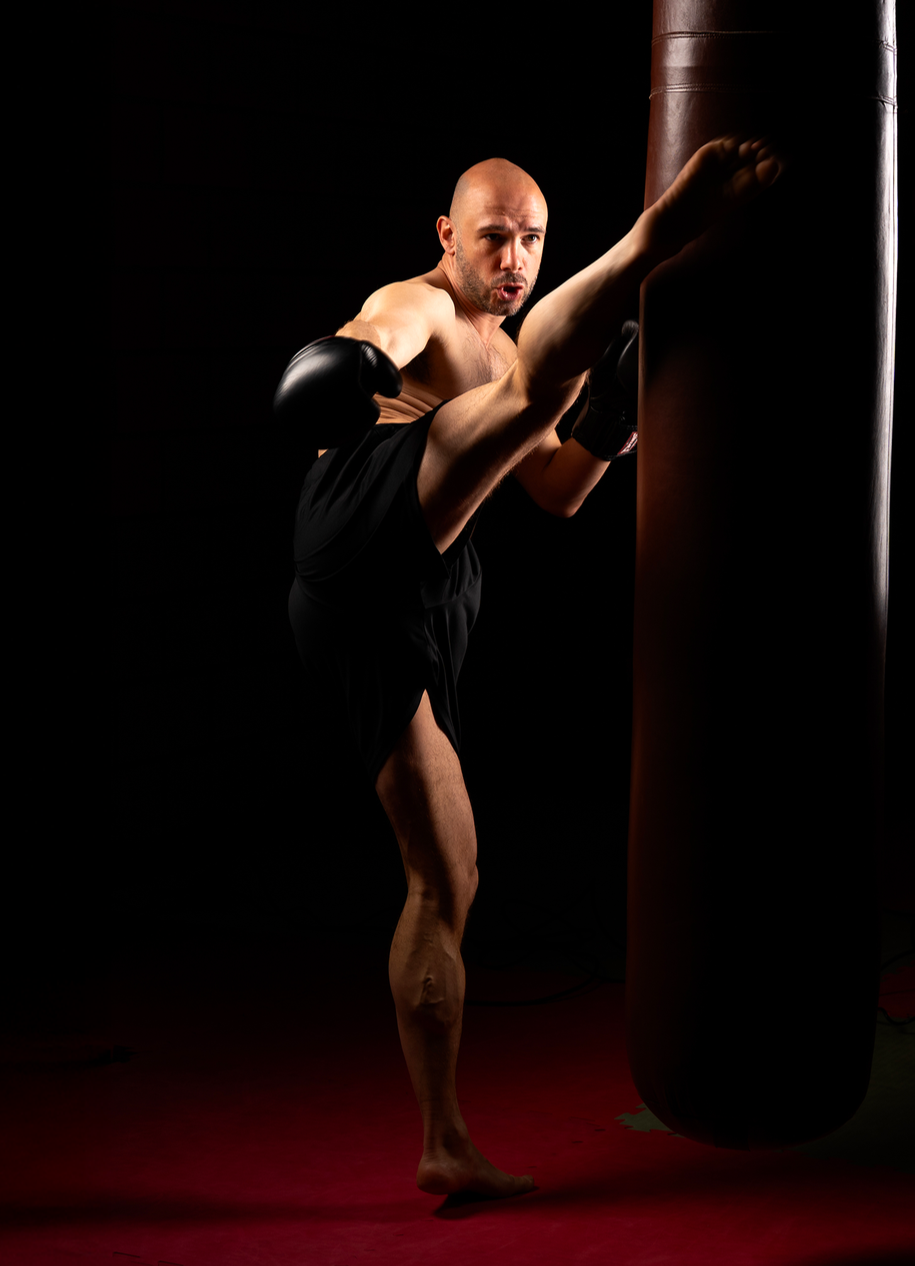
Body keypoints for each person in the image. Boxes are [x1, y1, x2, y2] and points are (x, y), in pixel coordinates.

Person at [281, 137, 782, 1199]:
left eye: (530, 240)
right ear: (446, 237)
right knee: (519, 398)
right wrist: (355, 357)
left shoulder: (517, 351)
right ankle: (653, 237)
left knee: (448, 874)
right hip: (364, 516)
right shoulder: (415, 303)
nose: (512, 257)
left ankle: (442, 1141)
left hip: (399, 597)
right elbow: (382, 329)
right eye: (493, 237)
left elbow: (552, 490)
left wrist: (613, 411)